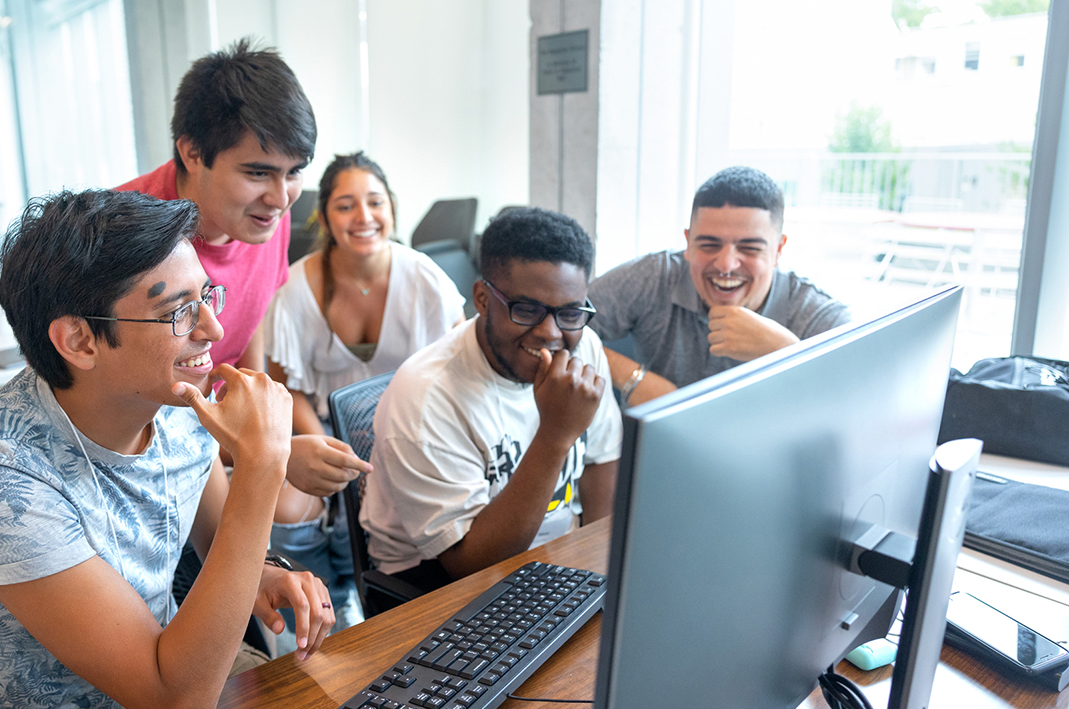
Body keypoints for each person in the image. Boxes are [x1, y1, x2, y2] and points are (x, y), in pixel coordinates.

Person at [0, 190, 334, 709]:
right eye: (179, 312)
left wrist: (268, 573)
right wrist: (263, 465)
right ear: (79, 341)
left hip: (174, 671)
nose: (214, 329)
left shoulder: (178, 403)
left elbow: (218, 541)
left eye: (208, 296)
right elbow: (176, 704)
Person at [116, 38, 370, 500]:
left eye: (293, 172)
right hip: (144, 450)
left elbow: (251, 318)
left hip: (216, 433)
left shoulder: (267, 216)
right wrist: (270, 453)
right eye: (257, 173)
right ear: (192, 153)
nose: (280, 198)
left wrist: (266, 424)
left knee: (315, 503)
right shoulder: (126, 235)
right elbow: (130, 413)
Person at [360, 207, 622, 599]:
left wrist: (595, 575)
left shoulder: (583, 347)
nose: (550, 333)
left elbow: (602, 461)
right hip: (433, 584)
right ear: (483, 298)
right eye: (528, 309)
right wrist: (556, 433)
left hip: (551, 561)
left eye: (569, 313)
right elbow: (473, 565)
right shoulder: (427, 396)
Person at [263, 152, 465, 625]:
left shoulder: (427, 279)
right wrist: (325, 445)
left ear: (392, 208)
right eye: (346, 205)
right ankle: (320, 607)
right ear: (325, 216)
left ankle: (372, 594)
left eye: (375, 202)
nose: (364, 217)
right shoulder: (294, 288)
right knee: (285, 507)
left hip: (413, 431)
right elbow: (283, 386)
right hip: (326, 429)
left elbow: (459, 372)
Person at [588, 166, 852, 406]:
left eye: (749, 248)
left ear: (779, 250)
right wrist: (634, 378)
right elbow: (554, 325)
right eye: (709, 245)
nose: (726, 264)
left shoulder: (816, 313)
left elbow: (864, 401)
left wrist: (785, 352)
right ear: (688, 243)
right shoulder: (653, 277)